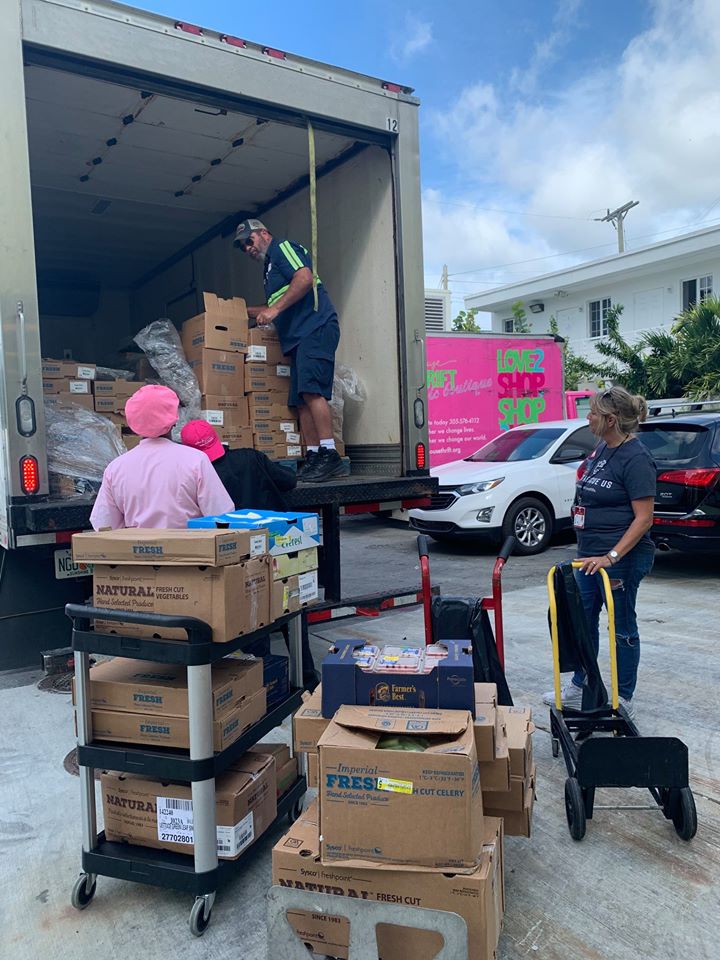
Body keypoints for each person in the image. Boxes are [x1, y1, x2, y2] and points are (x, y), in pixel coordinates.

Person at [542, 386, 656, 721]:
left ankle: (625, 696)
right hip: (588, 556)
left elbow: (644, 518)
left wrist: (612, 556)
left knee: (621, 627)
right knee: (582, 620)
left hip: (619, 560)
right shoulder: (603, 448)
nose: (587, 418)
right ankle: (582, 683)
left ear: (610, 419)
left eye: (592, 413)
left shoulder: (636, 458)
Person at [181, 419, 318, 691]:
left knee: (253, 616)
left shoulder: (200, 473)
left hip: (240, 555)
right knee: (291, 609)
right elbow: (288, 481)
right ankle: (308, 680)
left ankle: (265, 685)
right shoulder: (250, 457)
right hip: (281, 545)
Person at [233, 218, 347, 484]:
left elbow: (304, 278)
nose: (247, 248)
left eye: (249, 241)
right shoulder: (269, 270)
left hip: (314, 328)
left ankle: (330, 454)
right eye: (242, 247)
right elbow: (273, 303)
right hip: (296, 338)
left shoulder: (281, 248)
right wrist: (239, 309)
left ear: (263, 233)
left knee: (312, 391)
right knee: (299, 400)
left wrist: (274, 311)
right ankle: (314, 456)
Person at [90, 385, 234, 530]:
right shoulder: (196, 460)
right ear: (174, 421)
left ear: (133, 424)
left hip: (137, 550)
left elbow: (103, 525)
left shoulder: (115, 469)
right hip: (190, 550)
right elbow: (221, 518)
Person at [180, 419, 297, 511]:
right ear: (216, 437)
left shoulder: (194, 476)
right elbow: (289, 480)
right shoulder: (251, 457)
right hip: (272, 531)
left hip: (230, 536)